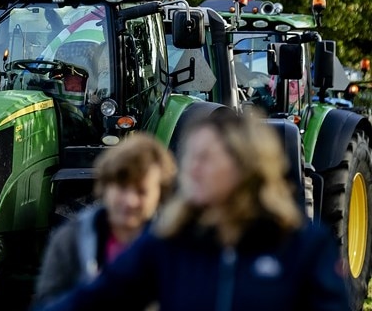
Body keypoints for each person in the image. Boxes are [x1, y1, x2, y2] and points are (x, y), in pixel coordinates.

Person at [41, 107, 349, 311]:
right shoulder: (168, 244)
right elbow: (90, 301)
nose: (192, 168)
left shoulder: (303, 246)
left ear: (245, 165)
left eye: (206, 157)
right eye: (190, 157)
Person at [32, 133, 176, 310]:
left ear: (159, 194)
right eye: (122, 188)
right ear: (106, 186)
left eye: (141, 191)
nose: (130, 201)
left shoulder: (174, 246)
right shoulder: (71, 241)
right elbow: (48, 302)